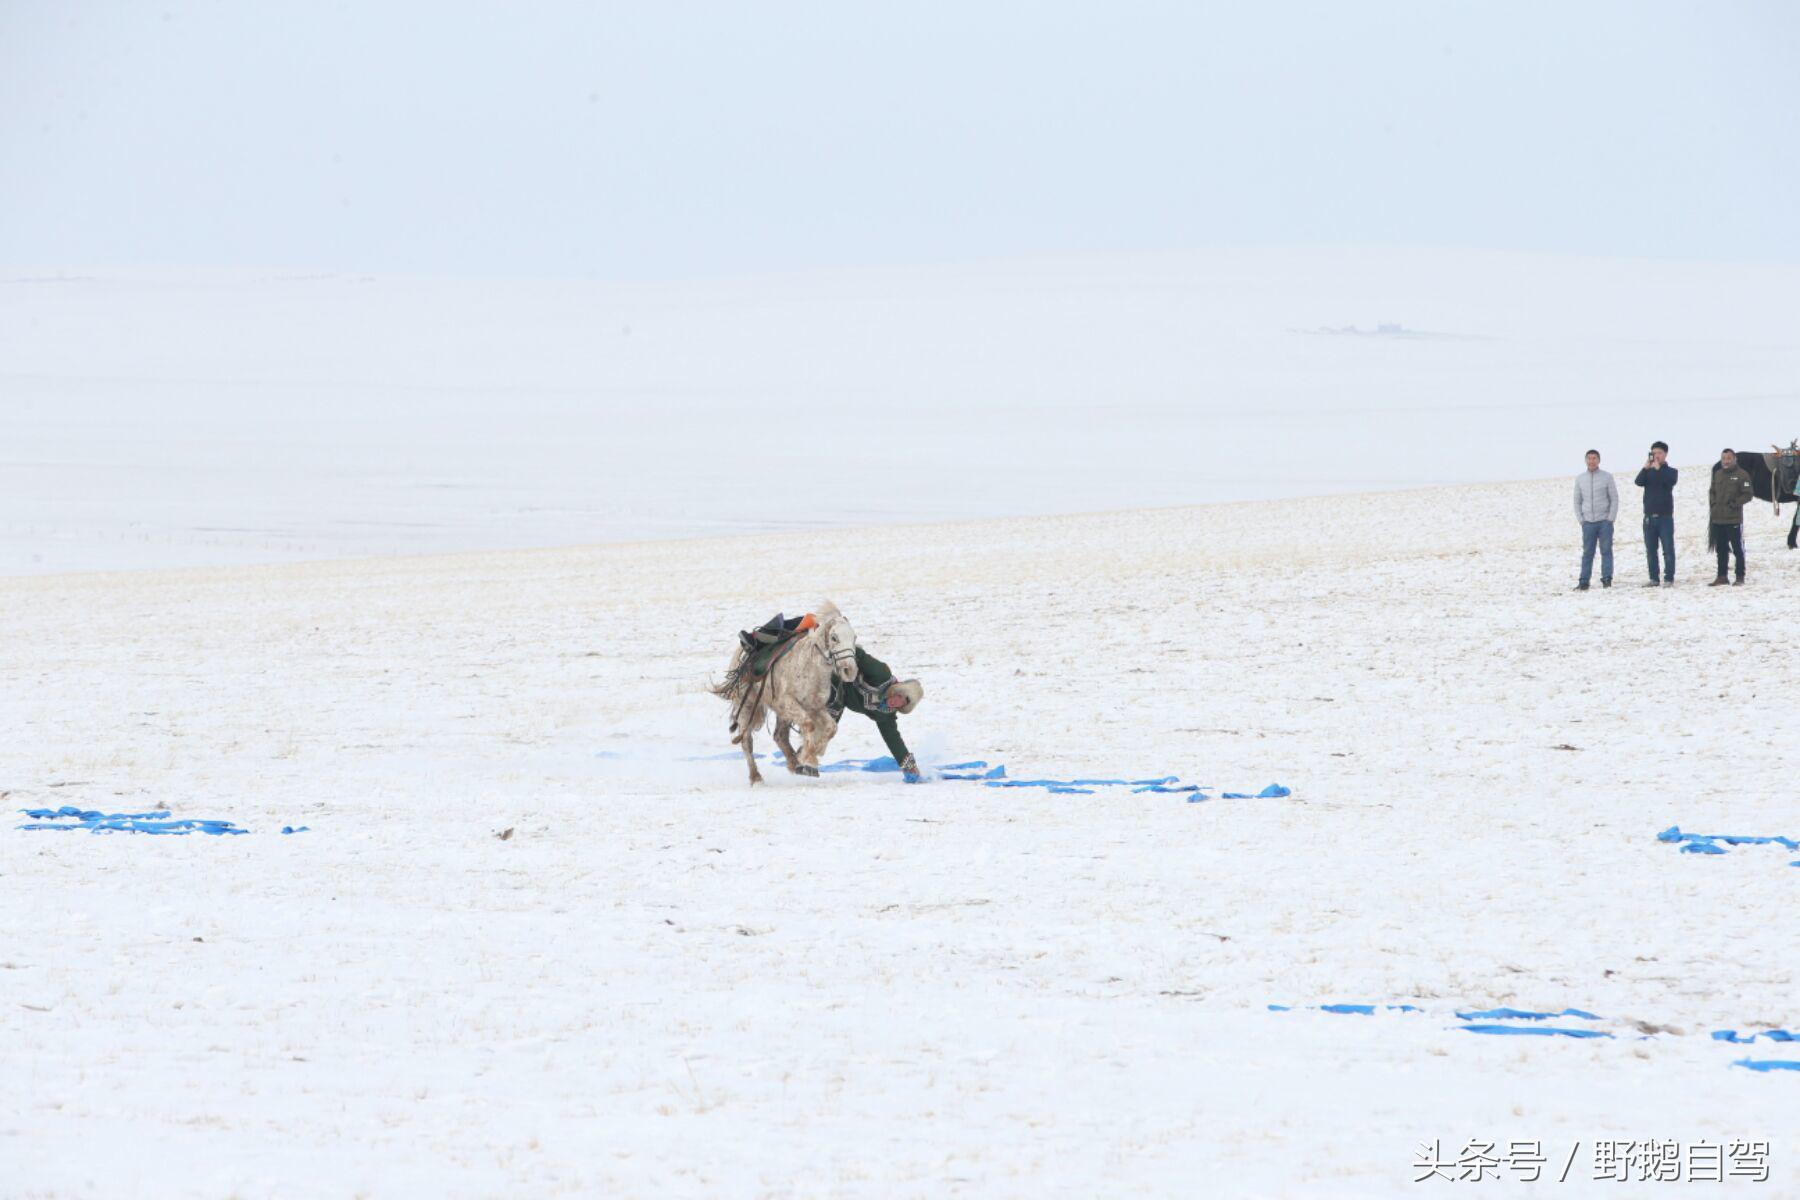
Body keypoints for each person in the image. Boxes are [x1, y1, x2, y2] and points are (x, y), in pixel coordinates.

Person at [832, 647, 925, 780]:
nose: (896, 702)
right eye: (899, 696)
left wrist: (909, 767)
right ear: (897, 690)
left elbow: (893, 739)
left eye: (902, 703)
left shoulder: (885, 715)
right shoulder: (881, 674)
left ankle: (802, 759)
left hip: (838, 701)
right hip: (831, 677)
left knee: (825, 729)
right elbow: (857, 653)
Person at [1634, 441, 1678, 586]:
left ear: (1665, 454)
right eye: (1654, 453)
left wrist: (1659, 469)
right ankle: (1654, 578)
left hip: (1665, 517)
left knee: (1668, 549)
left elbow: (1670, 482)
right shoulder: (1648, 471)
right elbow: (1638, 482)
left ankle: (1669, 578)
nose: (1656, 456)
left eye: (1659, 453)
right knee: (1651, 550)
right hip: (1649, 517)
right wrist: (1645, 468)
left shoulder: (1671, 471)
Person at [1572, 449, 1618, 590]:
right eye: (1589, 458)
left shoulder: (1607, 477)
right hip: (1588, 523)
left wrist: (1610, 518)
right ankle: (1584, 581)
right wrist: (1581, 519)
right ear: (1586, 460)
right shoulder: (1580, 479)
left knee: (1606, 551)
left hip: (1604, 521)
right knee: (1587, 553)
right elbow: (1577, 501)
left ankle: (1606, 579)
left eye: (1594, 458)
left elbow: (1614, 498)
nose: (1592, 461)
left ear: (1599, 460)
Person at [1708, 449, 1754, 586]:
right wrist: (1714, 504)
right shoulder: (1718, 474)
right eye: (1723, 458)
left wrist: (1734, 504)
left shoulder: (1742, 475)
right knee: (1721, 549)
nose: (1726, 461)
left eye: (1729, 458)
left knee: (1738, 549)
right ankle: (1722, 576)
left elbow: (1748, 494)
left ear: (1734, 459)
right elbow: (1712, 491)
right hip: (1718, 519)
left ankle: (1740, 576)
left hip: (1733, 519)